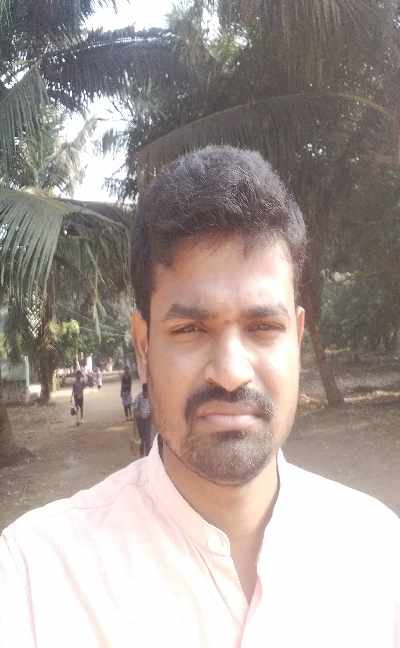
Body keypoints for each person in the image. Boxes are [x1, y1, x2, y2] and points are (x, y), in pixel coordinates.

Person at [0, 146, 399, 648]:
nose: (230, 373)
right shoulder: (35, 580)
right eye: (190, 329)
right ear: (143, 346)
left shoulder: (380, 554)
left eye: (263, 327)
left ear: (297, 340)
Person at [132, 383, 152, 456]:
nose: (147, 394)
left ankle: (148, 454)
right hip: (140, 420)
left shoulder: (151, 397)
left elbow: (153, 408)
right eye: (146, 392)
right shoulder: (138, 397)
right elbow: (134, 409)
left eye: (148, 392)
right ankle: (141, 452)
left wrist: (151, 415)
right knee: (142, 437)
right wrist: (137, 415)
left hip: (148, 419)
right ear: (143, 391)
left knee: (148, 437)